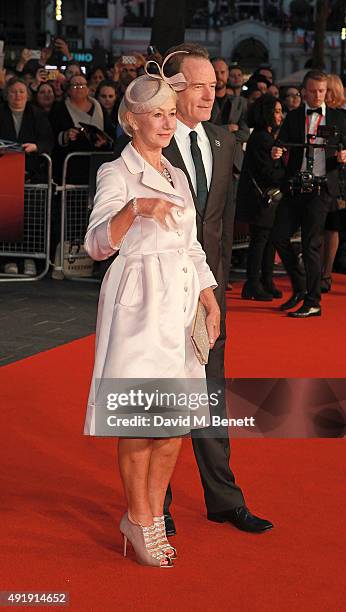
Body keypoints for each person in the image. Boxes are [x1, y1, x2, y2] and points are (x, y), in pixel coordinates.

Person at [84, 66, 220, 567]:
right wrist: (134, 209)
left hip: (181, 303)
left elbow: (192, 245)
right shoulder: (115, 173)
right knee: (141, 421)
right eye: (155, 115)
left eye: (169, 114)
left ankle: (151, 517)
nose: (166, 124)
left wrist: (208, 294)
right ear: (130, 120)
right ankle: (140, 518)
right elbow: (96, 245)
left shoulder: (177, 174)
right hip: (138, 306)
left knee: (176, 424)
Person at [161, 43, 273, 534]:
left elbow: (222, 226)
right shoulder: (152, 142)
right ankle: (154, 504)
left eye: (214, 85)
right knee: (159, 397)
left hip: (210, 291)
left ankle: (223, 499)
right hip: (162, 291)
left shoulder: (224, 142)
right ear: (176, 87)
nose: (212, 93)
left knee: (210, 395)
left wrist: (221, 288)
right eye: (200, 84)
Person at [271, 70, 346, 317]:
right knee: (279, 237)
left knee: (311, 244)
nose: (317, 95)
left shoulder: (338, 117)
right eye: (312, 91)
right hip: (295, 187)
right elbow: (279, 145)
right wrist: (277, 152)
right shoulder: (292, 118)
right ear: (304, 92)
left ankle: (313, 301)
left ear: (327, 91)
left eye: (321, 91)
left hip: (321, 188)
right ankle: (302, 287)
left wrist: (344, 156)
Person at [0, 76, 54, 275]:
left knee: (33, 218)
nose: (18, 95)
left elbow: (48, 140)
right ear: (7, 95)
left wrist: (37, 147)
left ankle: (30, 258)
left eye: (22, 92)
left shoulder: (37, 114)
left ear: (27, 95)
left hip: (32, 172)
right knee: (8, 219)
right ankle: (8, 260)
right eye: (13, 92)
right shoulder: (1, 112)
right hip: (5, 172)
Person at [236, 94, 285, 300]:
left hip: (263, 199)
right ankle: (253, 283)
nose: (280, 116)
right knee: (260, 241)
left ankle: (265, 281)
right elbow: (266, 172)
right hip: (260, 200)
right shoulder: (261, 138)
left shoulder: (264, 136)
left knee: (266, 241)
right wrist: (287, 174)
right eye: (276, 111)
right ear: (266, 113)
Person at [321, 74, 346, 292]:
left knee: (332, 226)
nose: (324, 95)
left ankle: (326, 273)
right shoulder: (315, 115)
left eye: (328, 91)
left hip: (338, 181)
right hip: (320, 179)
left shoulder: (341, 117)